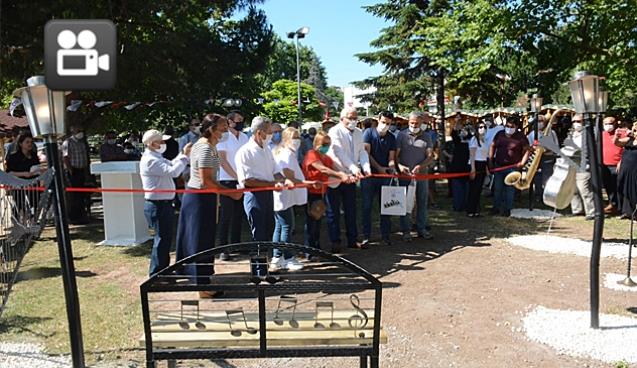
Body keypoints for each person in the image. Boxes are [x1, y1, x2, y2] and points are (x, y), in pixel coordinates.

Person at [175, 114, 241, 298]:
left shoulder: (207, 146)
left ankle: (202, 279)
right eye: (222, 128)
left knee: (203, 239)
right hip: (199, 199)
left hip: (203, 198)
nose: (226, 131)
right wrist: (230, 193)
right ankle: (200, 285)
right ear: (211, 129)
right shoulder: (204, 148)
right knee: (198, 240)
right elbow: (206, 181)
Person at [139, 129, 191, 276]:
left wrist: (181, 156)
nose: (163, 144)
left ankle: (163, 270)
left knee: (165, 239)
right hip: (157, 204)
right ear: (151, 143)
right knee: (161, 240)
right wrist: (185, 157)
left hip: (163, 203)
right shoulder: (150, 160)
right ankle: (157, 273)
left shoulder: (157, 157)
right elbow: (173, 171)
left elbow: (172, 164)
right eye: (161, 141)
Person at [235, 116, 294, 243]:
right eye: (269, 131)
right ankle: (258, 263)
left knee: (268, 231)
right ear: (259, 132)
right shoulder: (245, 152)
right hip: (254, 196)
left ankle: (264, 262)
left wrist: (284, 180)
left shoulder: (266, 150)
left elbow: (276, 171)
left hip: (268, 195)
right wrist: (273, 183)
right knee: (258, 236)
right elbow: (247, 180)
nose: (271, 134)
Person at [326, 107, 371, 251]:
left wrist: (366, 168)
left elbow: (362, 152)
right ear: (342, 118)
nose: (353, 120)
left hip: (351, 178)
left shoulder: (359, 132)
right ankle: (335, 241)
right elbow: (338, 152)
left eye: (355, 118)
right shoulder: (334, 131)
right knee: (333, 211)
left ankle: (352, 239)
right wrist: (354, 168)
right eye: (350, 118)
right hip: (335, 176)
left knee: (351, 209)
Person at [270, 127, 313, 271]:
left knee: (280, 226)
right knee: (287, 226)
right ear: (286, 139)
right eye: (294, 137)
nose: (297, 141)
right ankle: (287, 257)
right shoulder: (286, 154)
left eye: (298, 137)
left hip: (284, 195)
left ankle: (277, 257)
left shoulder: (286, 153)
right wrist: (308, 183)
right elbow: (289, 176)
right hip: (283, 195)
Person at [302, 132, 350, 253]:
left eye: (328, 144)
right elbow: (323, 169)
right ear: (317, 143)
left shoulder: (326, 157)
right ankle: (309, 249)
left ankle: (316, 247)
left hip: (321, 193)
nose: (326, 146)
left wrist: (348, 175)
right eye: (324, 144)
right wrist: (339, 174)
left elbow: (335, 169)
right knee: (311, 221)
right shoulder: (311, 154)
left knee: (318, 221)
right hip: (310, 193)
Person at [216, 110, 249, 261]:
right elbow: (222, 161)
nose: (240, 122)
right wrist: (236, 176)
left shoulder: (244, 137)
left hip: (241, 181)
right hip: (227, 181)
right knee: (226, 215)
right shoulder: (223, 138)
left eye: (242, 119)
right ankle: (223, 247)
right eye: (238, 120)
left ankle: (236, 244)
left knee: (238, 215)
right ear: (229, 121)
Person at [396, 111, 434, 241]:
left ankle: (421, 228)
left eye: (417, 123)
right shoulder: (401, 136)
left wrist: (421, 166)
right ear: (408, 122)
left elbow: (430, 156)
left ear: (422, 123)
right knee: (405, 204)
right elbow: (395, 156)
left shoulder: (427, 137)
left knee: (422, 202)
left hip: (421, 175)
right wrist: (400, 167)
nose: (414, 125)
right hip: (405, 176)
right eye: (412, 123)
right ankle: (406, 231)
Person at [361, 111, 396, 246]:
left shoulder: (391, 138)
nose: (385, 125)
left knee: (386, 206)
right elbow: (366, 154)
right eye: (383, 122)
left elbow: (391, 157)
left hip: (385, 176)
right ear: (378, 120)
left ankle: (385, 235)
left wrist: (391, 168)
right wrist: (379, 167)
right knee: (366, 206)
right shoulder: (368, 133)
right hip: (369, 175)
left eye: (388, 123)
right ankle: (366, 236)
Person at [489, 117, 530, 217]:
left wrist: (522, 162)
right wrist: (490, 160)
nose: (509, 128)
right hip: (499, 166)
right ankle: (496, 208)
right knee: (497, 188)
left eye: (512, 126)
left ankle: (508, 209)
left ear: (516, 127)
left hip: (513, 167)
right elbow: (492, 146)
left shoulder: (521, 137)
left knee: (510, 189)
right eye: (507, 126)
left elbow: (527, 150)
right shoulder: (500, 134)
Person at [561, 114, 595, 220]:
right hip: (571, 164)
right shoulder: (571, 133)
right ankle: (576, 209)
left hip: (583, 165)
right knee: (572, 188)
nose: (576, 124)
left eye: (578, 121)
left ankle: (591, 212)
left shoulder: (588, 134)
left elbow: (588, 150)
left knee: (584, 189)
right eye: (574, 121)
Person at [62, 125, 91, 224]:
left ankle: (81, 215)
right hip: (73, 171)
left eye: (81, 130)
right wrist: (70, 170)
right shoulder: (68, 142)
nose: (80, 132)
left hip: (82, 170)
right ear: (72, 130)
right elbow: (65, 157)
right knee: (74, 195)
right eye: (78, 130)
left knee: (81, 194)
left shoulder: (82, 143)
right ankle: (73, 217)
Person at [527, 114, 559, 201]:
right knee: (537, 177)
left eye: (541, 121)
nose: (540, 123)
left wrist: (549, 150)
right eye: (538, 121)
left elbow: (556, 146)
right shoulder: (531, 135)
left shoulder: (551, 133)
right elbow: (529, 147)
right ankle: (538, 194)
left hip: (548, 158)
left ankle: (547, 195)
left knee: (547, 178)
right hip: (537, 159)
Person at [614, 121, 637, 219]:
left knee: (634, 190)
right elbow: (617, 143)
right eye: (634, 130)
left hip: (635, 169)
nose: (635, 132)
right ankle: (625, 212)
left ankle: (634, 213)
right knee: (622, 187)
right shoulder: (629, 140)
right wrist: (616, 136)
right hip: (625, 167)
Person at [601, 116, 623, 215]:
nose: (608, 126)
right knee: (608, 187)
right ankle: (612, 205)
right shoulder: (601, 135)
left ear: (615, 124)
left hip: (617, 165)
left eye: (610, 123)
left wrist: (621, 162)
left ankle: (620, 207)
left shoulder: (620, 134)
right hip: (605, 165)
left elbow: (626, 149)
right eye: (605, 124)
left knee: (618, 187)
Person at [467, 122, 489, 217]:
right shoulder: (474, 140)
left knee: (479, 189)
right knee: (474, 189)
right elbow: (472, 154)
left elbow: (485, 156)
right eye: (480, 127)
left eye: (484, 127)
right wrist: (473, 168)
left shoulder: (484, 140)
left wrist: (487, 168)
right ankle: (470, 210)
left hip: (482, 164)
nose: (482, 129)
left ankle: (476, 209)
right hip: (475, 164)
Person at [449, 121, 471, 212]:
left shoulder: (471, 141)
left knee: (466, 189)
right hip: (457, 167)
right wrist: (456, 126)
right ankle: (457, 206)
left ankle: (465, 205)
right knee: (457, 188)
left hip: (467, 167)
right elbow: (454, 134)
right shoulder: (457, 141)